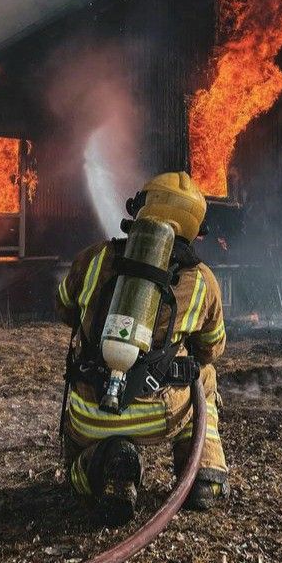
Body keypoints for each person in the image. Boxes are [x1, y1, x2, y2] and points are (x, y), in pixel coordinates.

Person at [56, 171, 228, 525]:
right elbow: (211, 349)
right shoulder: (202, 281)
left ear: (140, 208)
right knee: (205, 376)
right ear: (196, 228)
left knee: (75, 464)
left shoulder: (93, 258)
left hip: (89, 413)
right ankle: (204, 475)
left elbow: (64, 309)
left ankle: (101, 465)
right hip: (159, 414)